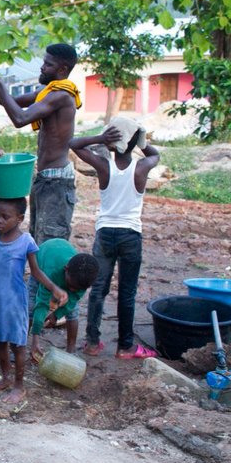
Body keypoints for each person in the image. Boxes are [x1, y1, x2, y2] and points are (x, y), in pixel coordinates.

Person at [69, 117, 161, 359]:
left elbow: (74, 144)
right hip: (130, 235)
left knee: (98, 288)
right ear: (134, 142)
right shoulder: (141, 167)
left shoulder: (103, 166)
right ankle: (126, 346)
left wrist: (100, 139)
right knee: (127, 293)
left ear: (112, 142)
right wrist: (140, 139)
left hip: (105, 233)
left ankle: (91, 342)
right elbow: (155, 155)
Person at [0, 43, 82, 245]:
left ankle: (46, 277)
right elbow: (10, 101)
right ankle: (38, 277)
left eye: (48, 64)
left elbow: (20, 118)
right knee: (38, 238)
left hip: (56, 182)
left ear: (62, 69)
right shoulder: (48, 92)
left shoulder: (61, 96)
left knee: (50, 242)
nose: (42, 67)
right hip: (46, 178)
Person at [0, 181, 68, 404]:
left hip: (13, 303)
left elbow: (37, 273)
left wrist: (55, 288)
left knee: (17, 345)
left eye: (4, 217)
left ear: (19, 219)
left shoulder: (25, 242)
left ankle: (20, 386)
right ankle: (5, 379)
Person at [29, 238, 99, 362]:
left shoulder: (83, 279)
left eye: (76, 289)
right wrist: (36, 339)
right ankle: (23, 345)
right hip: (41, 267)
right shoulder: (51, 272)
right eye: (70, 286)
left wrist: (56, 315)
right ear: (66, 269)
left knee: (73, 312)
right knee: (30, 306)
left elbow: (72, 301)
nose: (71, 290)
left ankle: (70, 351)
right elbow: (42, 304)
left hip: (61, 261)